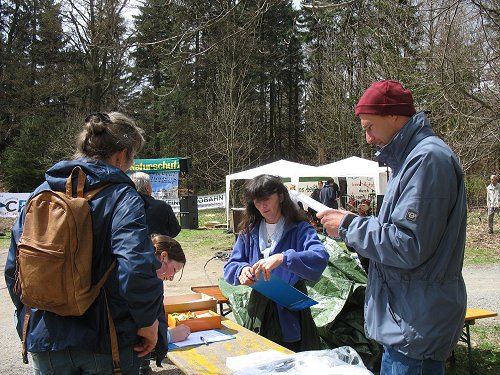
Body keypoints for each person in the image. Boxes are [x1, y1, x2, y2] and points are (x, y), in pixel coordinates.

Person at [317, 80, 467, 374]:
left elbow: (408, 244)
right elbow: (399, 230)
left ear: (395, 116)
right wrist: (356, 225)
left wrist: (349, 226)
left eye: (370, 126)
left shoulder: (428, 160)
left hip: (416, 324)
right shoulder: (412, 160)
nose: (369, 138)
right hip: (406, 319)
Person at [5, 112, 168, 374]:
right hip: (106, 341)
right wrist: (148, 322)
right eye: (131, 158)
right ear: (120, 155)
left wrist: (30, 318)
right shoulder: (122, 196)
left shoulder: (42, 191)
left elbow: (14, 268)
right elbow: (136, 265)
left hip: (45, 337)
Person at [223, 174, 329, 352]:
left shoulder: (300, 228)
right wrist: (242, 270)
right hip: (259, 311)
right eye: (257, 202)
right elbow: (230, 266)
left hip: (292, 311)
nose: (262, 207)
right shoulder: (249, 232)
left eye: (266, 200)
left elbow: (320, 257)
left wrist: (284, 258)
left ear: (280, 196)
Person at [140, 234, 189, 375]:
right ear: (163, 257)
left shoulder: (151, 278)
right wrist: (168, 336)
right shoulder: (143, 281)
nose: (172, 277)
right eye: (174, 270)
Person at [130, 171, 181, 237]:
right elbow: (175, 230)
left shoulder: (124, 206)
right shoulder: (163, 206)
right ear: (147, 188)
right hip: (158, 245)